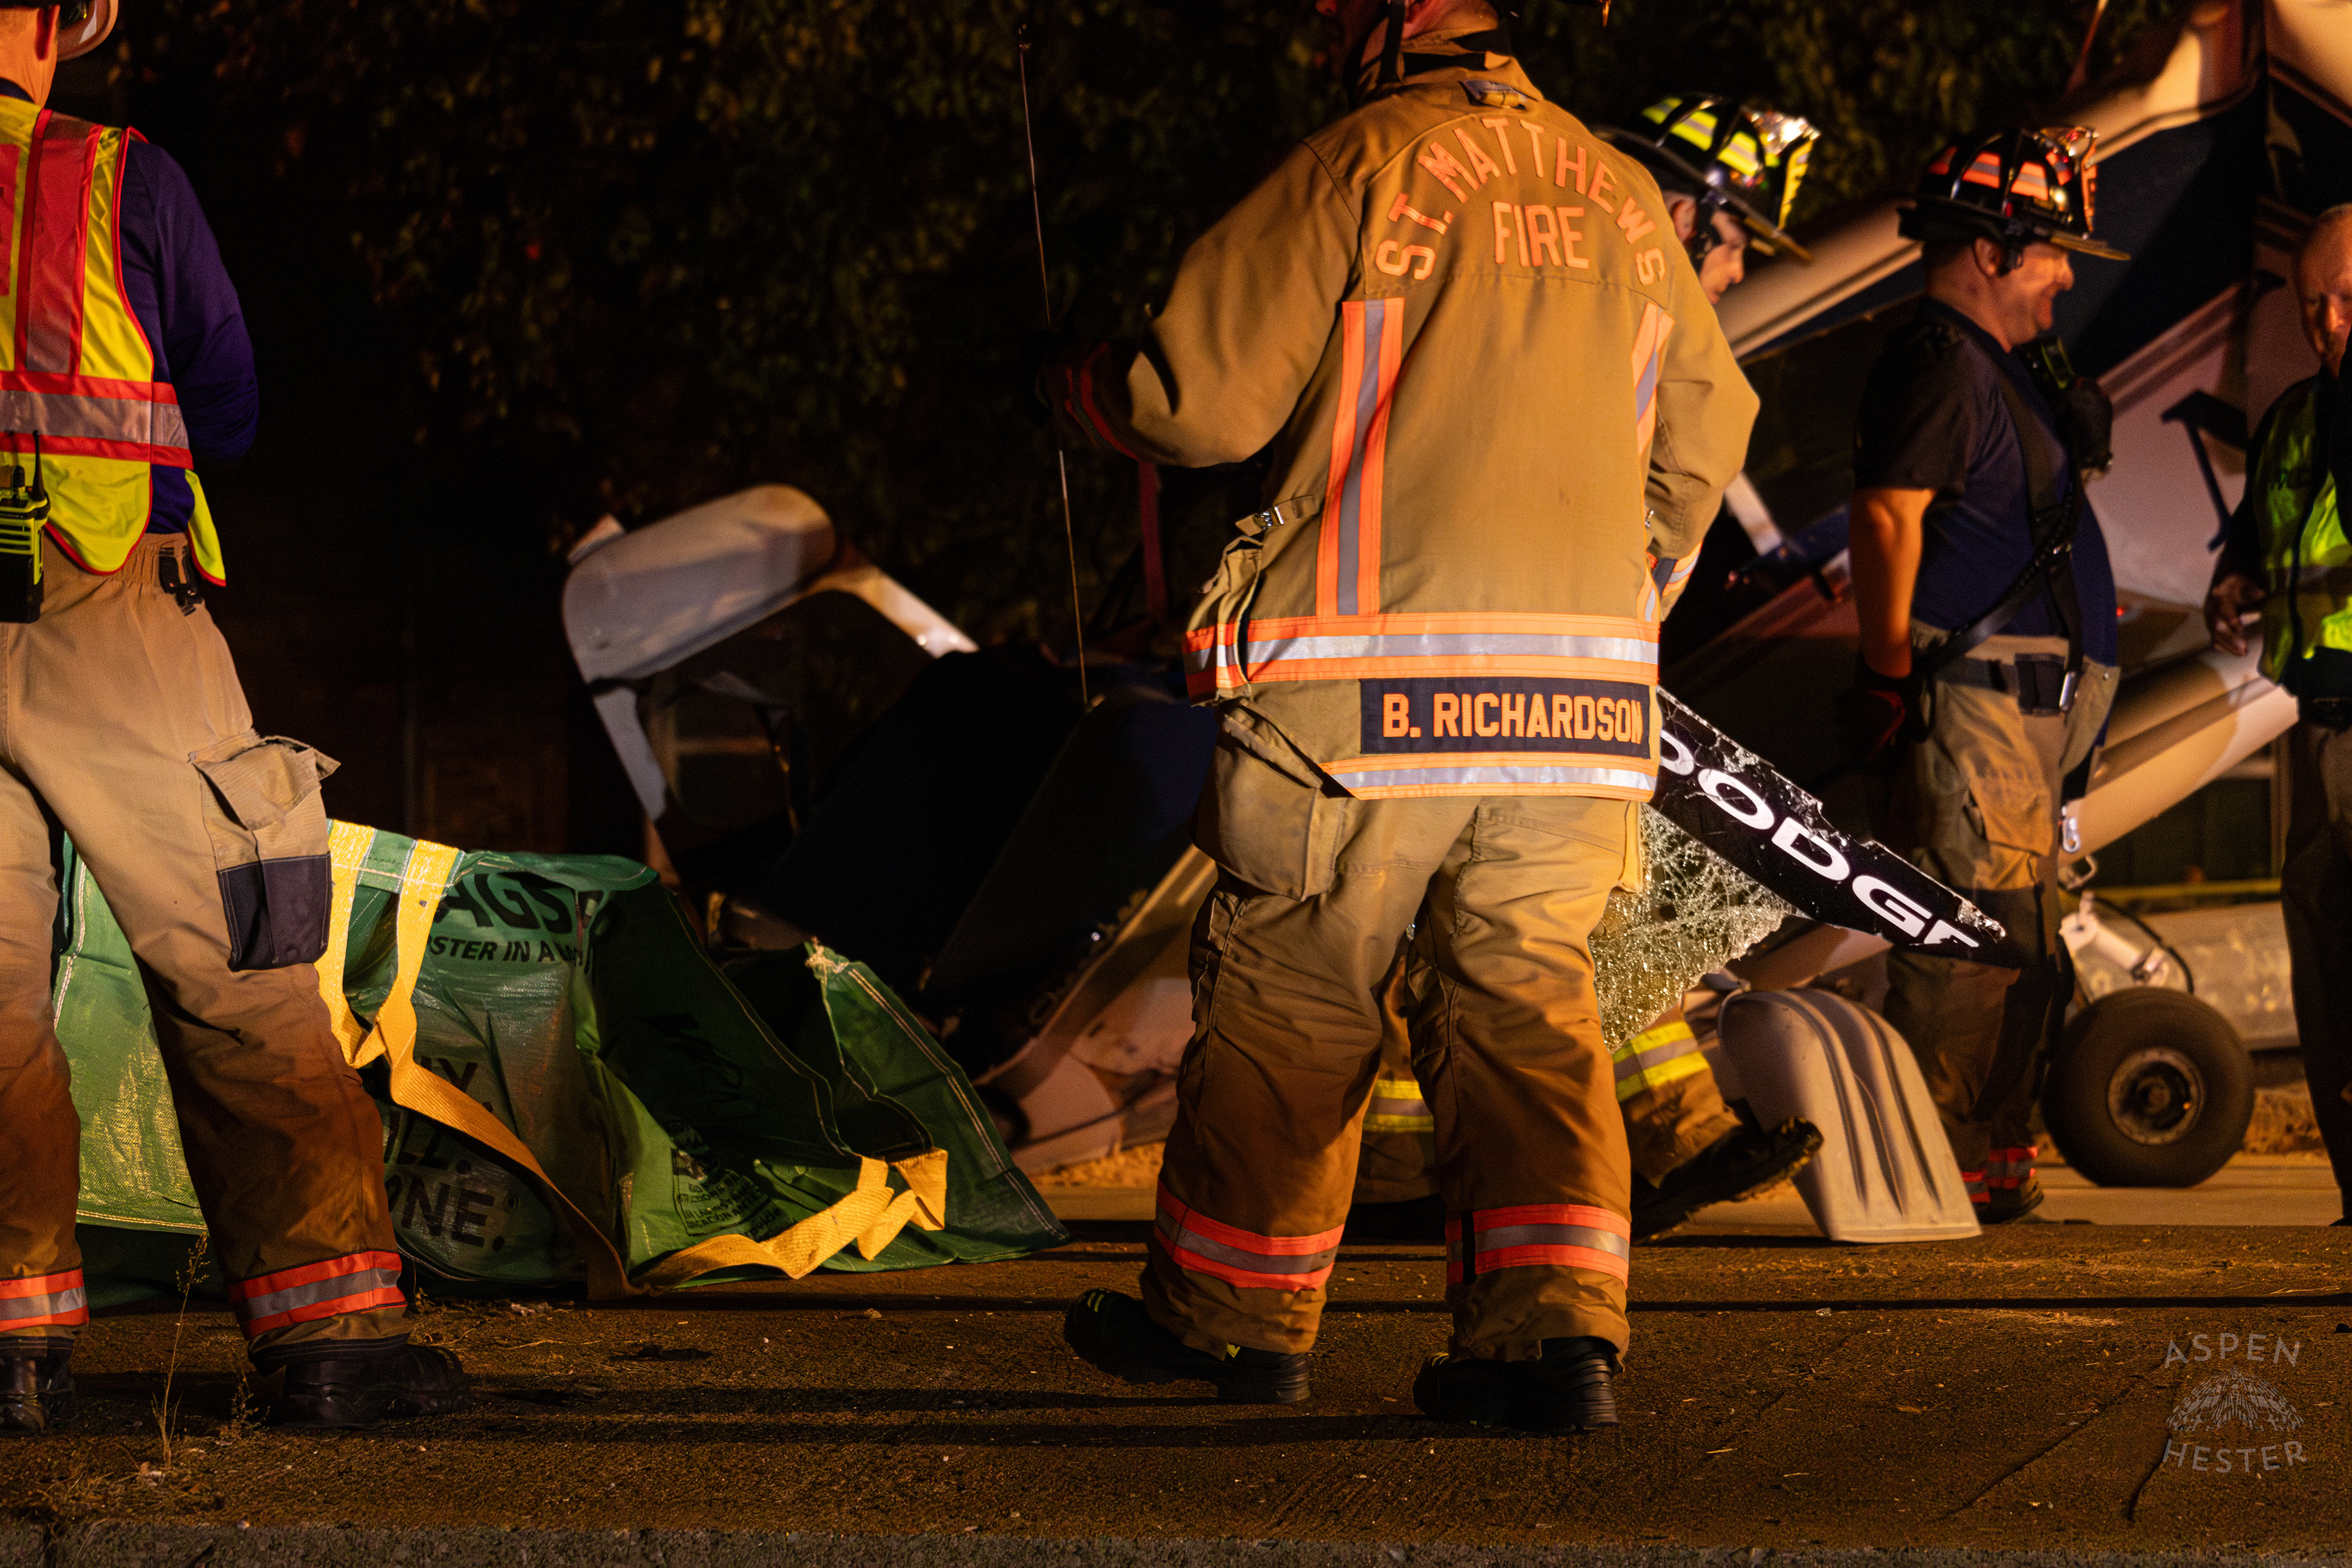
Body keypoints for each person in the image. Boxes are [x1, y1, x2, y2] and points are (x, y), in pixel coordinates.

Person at [1042, 0, 1757, 1430]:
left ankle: (1233, 1323)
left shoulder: (1361, 164)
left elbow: (1197, 402)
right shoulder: (1621, 196)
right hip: (1577, 709)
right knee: (1531, 1008)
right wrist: (1614, 597)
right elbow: (1706, 434)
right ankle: (1553, 1346)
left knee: (1298, 998)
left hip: (1366, 697)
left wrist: (1090, 396)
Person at [0, 0, 465, 1433]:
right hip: (109, 615)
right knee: (242, 967)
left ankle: (12, 1347)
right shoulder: (114, 175)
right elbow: (231, 401)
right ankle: (334, 1340)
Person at [1353, 94, 1826, 1246]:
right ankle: (1419, 1167)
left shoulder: (1554, 300)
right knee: (1506, 915)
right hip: (1512, 660)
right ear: (1678, 213)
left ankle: (1649, 1131)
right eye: (1729, 245)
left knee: (1545, 911)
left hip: (1516, 655)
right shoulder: (1618, 316)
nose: (1726, 277)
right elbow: (1685, 459)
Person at [1842, 128, 2127, 1223]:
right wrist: (1885, 673)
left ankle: (1989, 1163)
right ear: (1993, 251)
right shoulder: (1938, 362)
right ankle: (1938, 1174)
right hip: (1986, 710)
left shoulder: (1983, 365)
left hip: (2026, 716)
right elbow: (1887, 515)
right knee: (1973, 941)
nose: (2064, 276)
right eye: (2053, 252)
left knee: (2017, 946)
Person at [2203, 204, 2352, 1223]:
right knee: (2328, 970)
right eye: (2313, 303)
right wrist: (2237, 579)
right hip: (2315, 721)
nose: (2330, 321)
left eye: (2348, 298)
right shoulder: (2300, 413)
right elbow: (2264, 528)